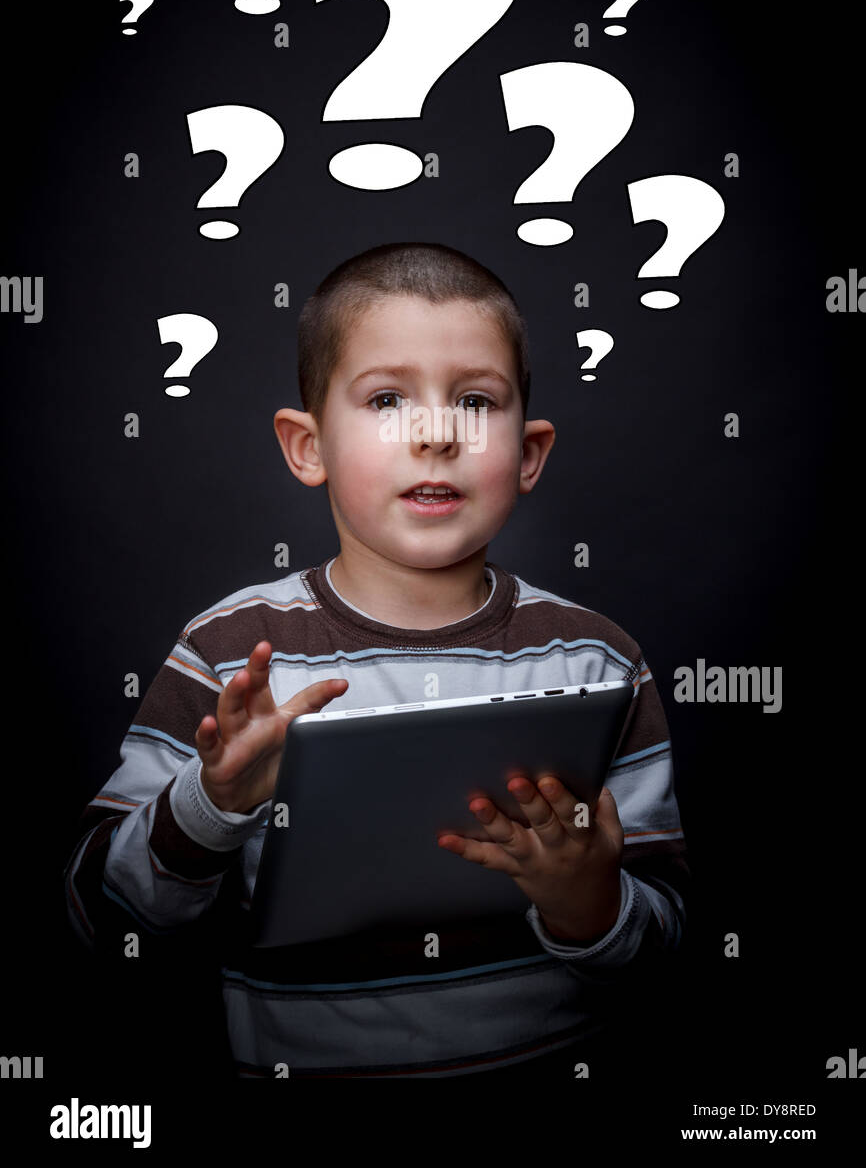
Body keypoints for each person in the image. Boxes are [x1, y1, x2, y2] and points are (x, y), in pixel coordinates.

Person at [64, 241, 689, 1080]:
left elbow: (666, 945)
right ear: (307, 446)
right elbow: (101, 917)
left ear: (530, 453)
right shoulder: (228, 655)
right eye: (388, 399)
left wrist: (590, 906)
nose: (434, 434)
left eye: (475, 401)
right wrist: (213, 804)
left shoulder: (601, 660)